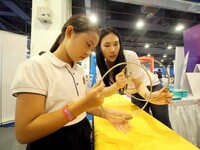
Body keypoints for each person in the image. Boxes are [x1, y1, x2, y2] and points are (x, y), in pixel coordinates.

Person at [11, 15, 132, 150]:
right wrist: (84, 103)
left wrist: (106, 114)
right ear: (70, 32)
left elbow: (79, 104)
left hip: (81, 134)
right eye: (87, 44)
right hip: (52, 141)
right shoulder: (35, 66)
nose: (88, 52)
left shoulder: (78, 70)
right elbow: (24, 133)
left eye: (92, 49)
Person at [95, 26, 173, 128]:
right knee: (142, 124)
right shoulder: (100, 67)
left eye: (116, 44)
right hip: (135, 94)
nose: (113, 50)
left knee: (163, 125)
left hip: (151, 86)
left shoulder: (130, 56)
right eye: (107, 45)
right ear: (100, 48)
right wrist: (117, 85)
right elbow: (103, 92)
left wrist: (149, 96)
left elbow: (139, 83)